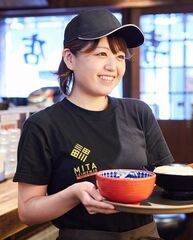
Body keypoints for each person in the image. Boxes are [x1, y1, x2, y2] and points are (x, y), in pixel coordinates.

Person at [13, 9, 174, 240]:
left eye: (120, 56)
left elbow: (164, 180)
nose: (113, 66)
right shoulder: (43, 125)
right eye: (101, 54)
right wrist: (73, 194)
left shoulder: (139, 112)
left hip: (144, 234)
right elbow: (27, 211)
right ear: (70, 58)